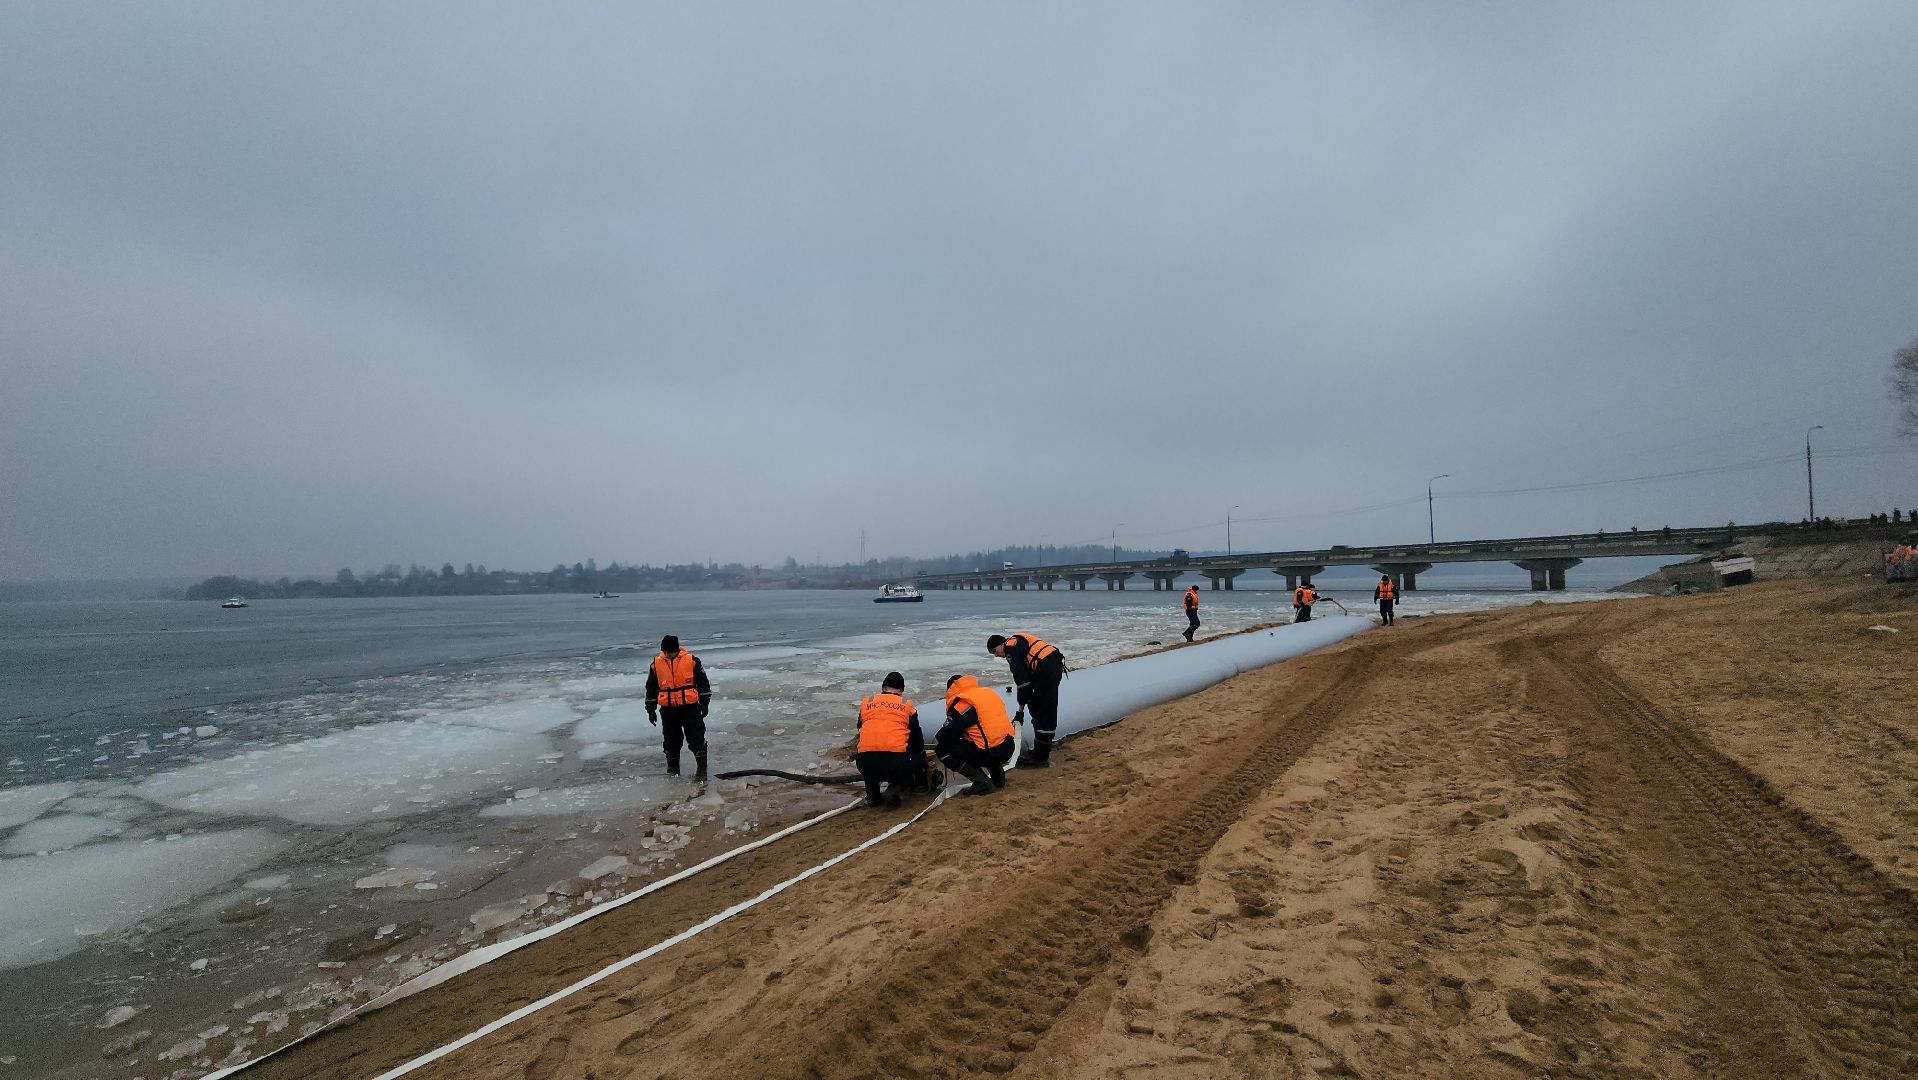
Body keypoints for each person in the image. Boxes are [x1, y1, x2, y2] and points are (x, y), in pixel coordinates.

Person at [986, 633, 1065, 768]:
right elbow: (1025, 684)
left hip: (1046, 669)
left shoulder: (1011, 650)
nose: (997, 655)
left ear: (1001, 644)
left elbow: (1022, 682)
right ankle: (1039, 751)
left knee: (1043, 711)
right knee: (1039, 707)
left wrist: (1020, 712)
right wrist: (1022, 709)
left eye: (995, 651)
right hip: (1051, 664)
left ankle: (1040, 757)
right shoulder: (1017, 643)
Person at [645, 635, 711, 780]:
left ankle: (702, 770)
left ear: (676, 650)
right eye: (664, 651)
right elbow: (651, 688)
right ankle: (673, 771)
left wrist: (704, 703)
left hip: (690, 708)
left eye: (669, 651)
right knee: (671, 741)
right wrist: (650, 709)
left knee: (696, 737)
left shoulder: (692, 661)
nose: (666, 654)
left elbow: (703, 682)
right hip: (668, 710)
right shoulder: (656, 664)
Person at [938, 674, 1016, 796]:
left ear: (950, 690)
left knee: (942, 750)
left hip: (990, 752)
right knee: (985, 738)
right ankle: (998, 778)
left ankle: (981, 782)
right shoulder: (988, 694)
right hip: (1008, 747)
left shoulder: (962, 705)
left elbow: (945, 737)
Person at [855, 672, 924, 809]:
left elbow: (860, 728)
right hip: (895, 764)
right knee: (915, 758)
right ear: (901, 690)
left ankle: (873, 796)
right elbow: (917, 740)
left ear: (883, 688)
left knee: (869, 753)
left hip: (864, 764)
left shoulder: (867, 704)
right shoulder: (906, 707)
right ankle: (894, 789)